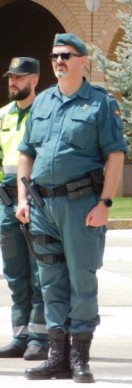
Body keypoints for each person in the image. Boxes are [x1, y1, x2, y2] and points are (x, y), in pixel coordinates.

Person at [15, 33, 127, 383]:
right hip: (42, 206)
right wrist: (22, 199)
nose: (59, 61)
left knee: (81, 280)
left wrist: (106, 203)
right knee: (50, 282)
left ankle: (80, 357)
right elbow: (27, 152)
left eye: (65, 55)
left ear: (83, 60)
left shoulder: (100, 103)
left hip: (80, 206)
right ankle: (56, 355)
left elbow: (115, 155)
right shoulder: (43, 101)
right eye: (54, 56)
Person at [0, 57, 48, 361]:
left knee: (39, 273)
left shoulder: (45, 114)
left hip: (37, 201)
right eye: (10, 77)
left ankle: (40, 339)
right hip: (6, 205)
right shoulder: (3, 115)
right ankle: (19, 336)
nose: (12, 82)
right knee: (15, 274)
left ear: (34, 80)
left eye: (19, 77)